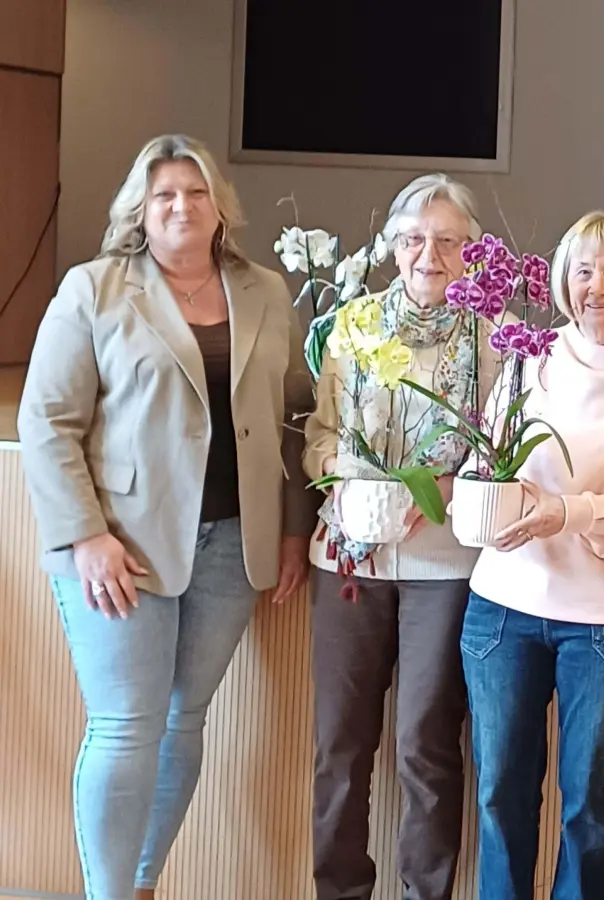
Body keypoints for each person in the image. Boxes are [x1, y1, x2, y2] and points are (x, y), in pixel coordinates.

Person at [17, 133, 315, 900]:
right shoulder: (95, 288)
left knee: (185, 725)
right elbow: (47, 422)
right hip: (123, 548)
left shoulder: (266, 291)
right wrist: (86, 537)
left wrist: (290, 527)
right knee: (126, 726)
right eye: (163, 196)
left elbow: (294, 418)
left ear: (220, 207)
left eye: (195, 191)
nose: (182, 205)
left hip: (229, 550)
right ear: (139, 214)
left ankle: (146, 885)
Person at [462, 211, 604, 900]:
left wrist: (572, 511)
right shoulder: (532, 356)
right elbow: (485, 460)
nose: (598, 287)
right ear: (562, 282)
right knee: (501, 791)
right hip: (503, 609)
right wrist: (483, 501)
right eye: (583, 271)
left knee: (590, 803)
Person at [303, 174, 502, 900]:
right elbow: (318, 436)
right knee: (339, 746)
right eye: (415, 239)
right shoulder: (351, 326)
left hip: (444, 566)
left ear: (473, 252)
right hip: (348, 559)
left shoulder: (494, 341)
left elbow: (502, 459)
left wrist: (440, 490)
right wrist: (343, 473)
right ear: (391, 247)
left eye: (449, 241)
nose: (430, 255)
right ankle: (340, 891)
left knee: (426, 743)